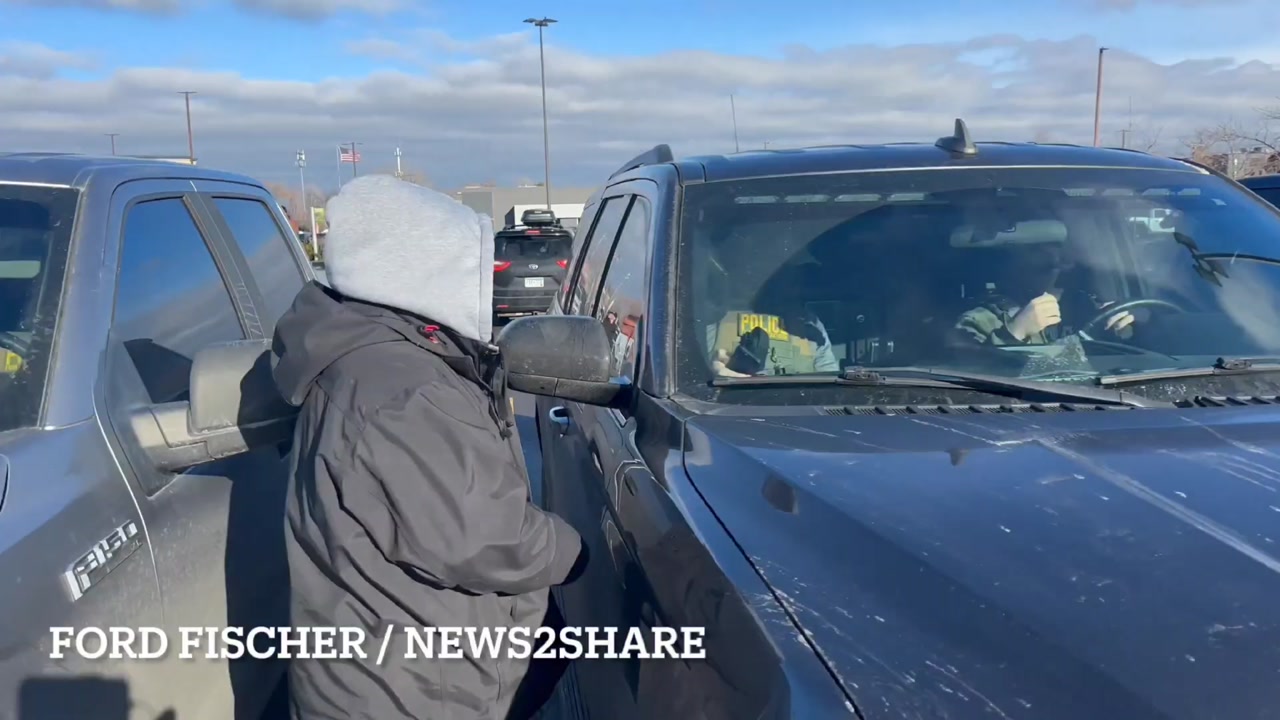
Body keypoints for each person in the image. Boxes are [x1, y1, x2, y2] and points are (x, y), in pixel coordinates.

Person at [270, 175, 586, 720]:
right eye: (470, 265)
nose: (482, 282)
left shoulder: (371, 354)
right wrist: (569, 550)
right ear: (422, 269)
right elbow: (482, 538)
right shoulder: (404, 390)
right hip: (413, 689)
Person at [952, 240, 1136, 347]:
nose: (1051, 254)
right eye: (1035, 247)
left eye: (1056, 245)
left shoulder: (1085, 307)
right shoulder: (979, 321)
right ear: (1008, 262)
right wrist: (1015, 333)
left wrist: (1120, 331)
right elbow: (965, 378)